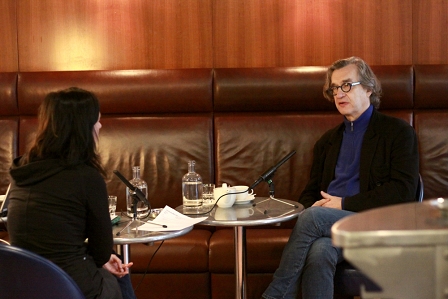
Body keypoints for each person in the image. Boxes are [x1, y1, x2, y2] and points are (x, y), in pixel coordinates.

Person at [262, 57, 419, 299]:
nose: (339, 93)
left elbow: (403, 192)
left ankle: (276, 294)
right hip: (330, 227)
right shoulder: (327, 141)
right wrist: (314, 205)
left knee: (312, 218)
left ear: (368, 88)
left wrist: (342, 204)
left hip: (376, 223)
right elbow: (311, 191)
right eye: (334, 88)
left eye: (347, 85)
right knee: (320, 251)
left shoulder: (398, 133)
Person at [7, 87, 136, 299]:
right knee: (119, 274)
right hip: (68, 286)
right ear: (83, 128)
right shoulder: (86, 177)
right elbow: (101, 251)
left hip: (24, 283)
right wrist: (105, 257)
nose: (100, 125)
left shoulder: (22, 168)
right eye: (97, 120)